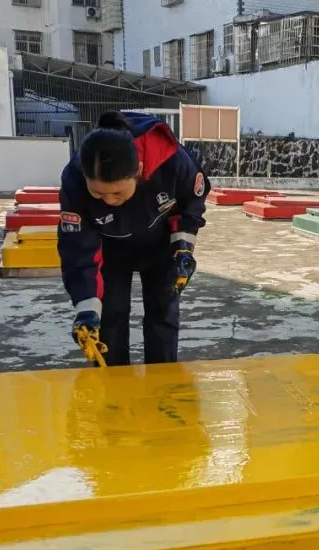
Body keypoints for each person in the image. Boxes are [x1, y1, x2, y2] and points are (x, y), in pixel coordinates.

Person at [57, 110, 211, 366]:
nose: (109, 201)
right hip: (110, 249)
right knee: (110, 316)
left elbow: (190, 205)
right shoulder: (74, 181)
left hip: (161, 244)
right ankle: (112, 381)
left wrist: (183, 248)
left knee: (163, 312)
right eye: (98, 193)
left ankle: (161, 379)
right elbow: (78, 247)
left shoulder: (172, 162)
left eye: (117, 193)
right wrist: (85, 309)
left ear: (138, 170)